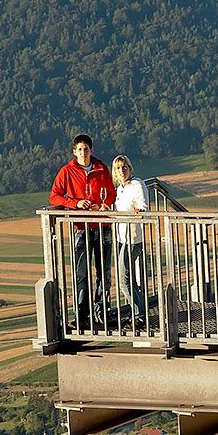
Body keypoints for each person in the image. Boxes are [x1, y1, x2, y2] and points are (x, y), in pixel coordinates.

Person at [48, 133, 114, 323]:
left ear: (91, 150)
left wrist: (104, 204)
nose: (83, 152)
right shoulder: (67, 171)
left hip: (103, 226)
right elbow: (54, 197)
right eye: (79, 150)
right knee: (81, 274)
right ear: (74, 152)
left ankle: (101, 312)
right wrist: (75, 203)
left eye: (86, 149)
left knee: (104, 274)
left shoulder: (102, 169)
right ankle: (82, 316)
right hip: (80, 228)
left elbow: (110, 193)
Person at [109, 155, 149, 324]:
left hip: (132, 238)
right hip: (120, 236)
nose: (121, 170)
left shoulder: (137, 185)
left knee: (123, 280)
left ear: (130, 168)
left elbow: (144, 209)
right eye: (118, 168)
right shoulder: (120, 188)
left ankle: (139, 315)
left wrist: (138, 212)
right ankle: (138, 312)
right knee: (127, 278)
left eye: (124, 167)